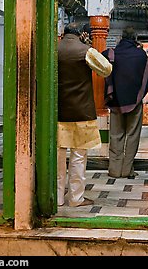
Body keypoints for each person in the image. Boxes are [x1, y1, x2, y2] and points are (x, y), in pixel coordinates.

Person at [57, 22, 112, 207]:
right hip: (81, 112)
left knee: (57, 158)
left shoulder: (52, 49)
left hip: (57, 112)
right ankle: (76, 198)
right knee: (78, 158)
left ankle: (56, 198)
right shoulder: (85, 51)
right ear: (81, 34)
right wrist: (89, 46)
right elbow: (106, 69)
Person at [102, 27, 148, 179]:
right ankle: (127, 170)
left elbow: (99, 59)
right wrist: (140, 93)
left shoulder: (112, 53)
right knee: (132, 135)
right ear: (135, 38)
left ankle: (114, 170)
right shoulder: (140, 55)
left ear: (121, 37)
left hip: (116, 100)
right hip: (134, 101)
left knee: (115, 135)